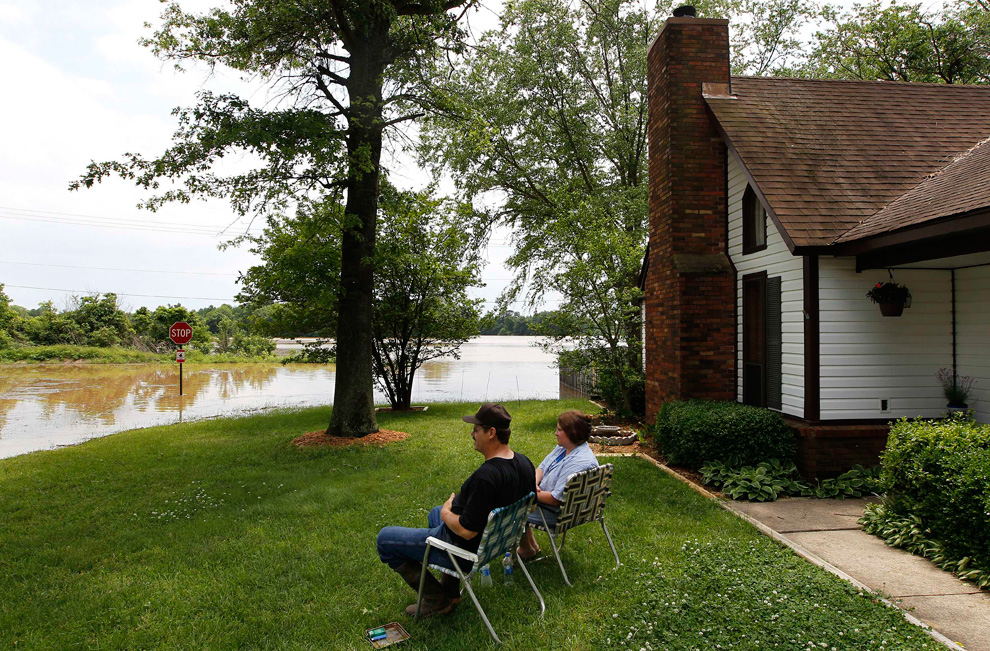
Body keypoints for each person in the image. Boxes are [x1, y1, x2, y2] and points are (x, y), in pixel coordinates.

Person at [376, 403, 536, 618]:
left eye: (476, 429)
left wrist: (447, 513)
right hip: (496, 542)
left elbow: (466, 531)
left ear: (491, 433)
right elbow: (532, 506)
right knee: (434, 512)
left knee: (385, 540)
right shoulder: (524, 462)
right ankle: (450, 591)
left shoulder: (487, 477)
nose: (472, 433)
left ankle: (436, 601)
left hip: (466, 550)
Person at [517, 410, 599, 560]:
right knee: (516, 494)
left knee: (509, 505)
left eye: (559, 430)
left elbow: (555, 499)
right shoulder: (564, 448)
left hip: (560, 514)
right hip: (552, 504)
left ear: (572, 433)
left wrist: (527, 491)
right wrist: (532, 484)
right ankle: (531, 546)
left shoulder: (579, 462)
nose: (555, 433)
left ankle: (525, 549)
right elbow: (541, 468)